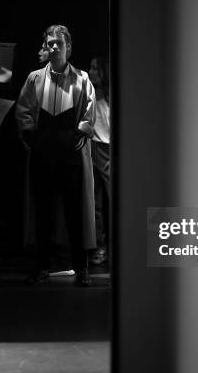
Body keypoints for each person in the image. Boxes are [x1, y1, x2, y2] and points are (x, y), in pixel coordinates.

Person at [16, 24, 96, 286]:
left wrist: (79, 136)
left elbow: (88, 113)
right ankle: (41, 266)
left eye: (58, 44)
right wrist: (30, 136)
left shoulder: (82, 79)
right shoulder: (34, 78)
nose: (53, 47)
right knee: (43, 211)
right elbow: (24, 110)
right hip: (44, 150)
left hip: (69, 152)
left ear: (68, 47)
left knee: (75, 212)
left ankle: (81, 267)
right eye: (49, 43)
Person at [89, 56, 111, 266]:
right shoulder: (89, 92)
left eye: (96, 68)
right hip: (93, 147)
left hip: (109, 148)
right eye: (91, 67)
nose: (92, 71)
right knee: (94, 203)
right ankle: (99, 246)